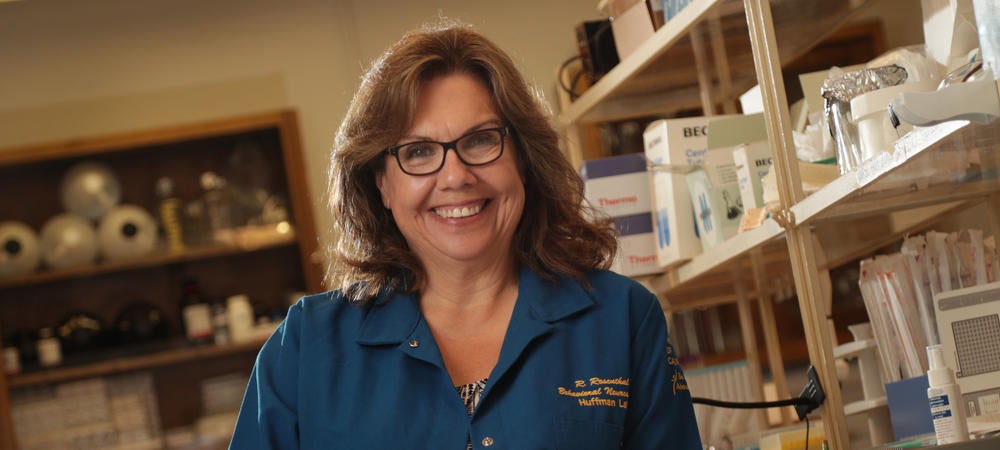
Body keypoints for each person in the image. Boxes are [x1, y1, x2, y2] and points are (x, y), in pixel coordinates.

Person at [229, 21, 702, 449]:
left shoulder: (621, 319)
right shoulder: (306, 348)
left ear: (522, 158)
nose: (455, 176)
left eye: (480, 140)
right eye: (418, 151)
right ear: (381, 183)